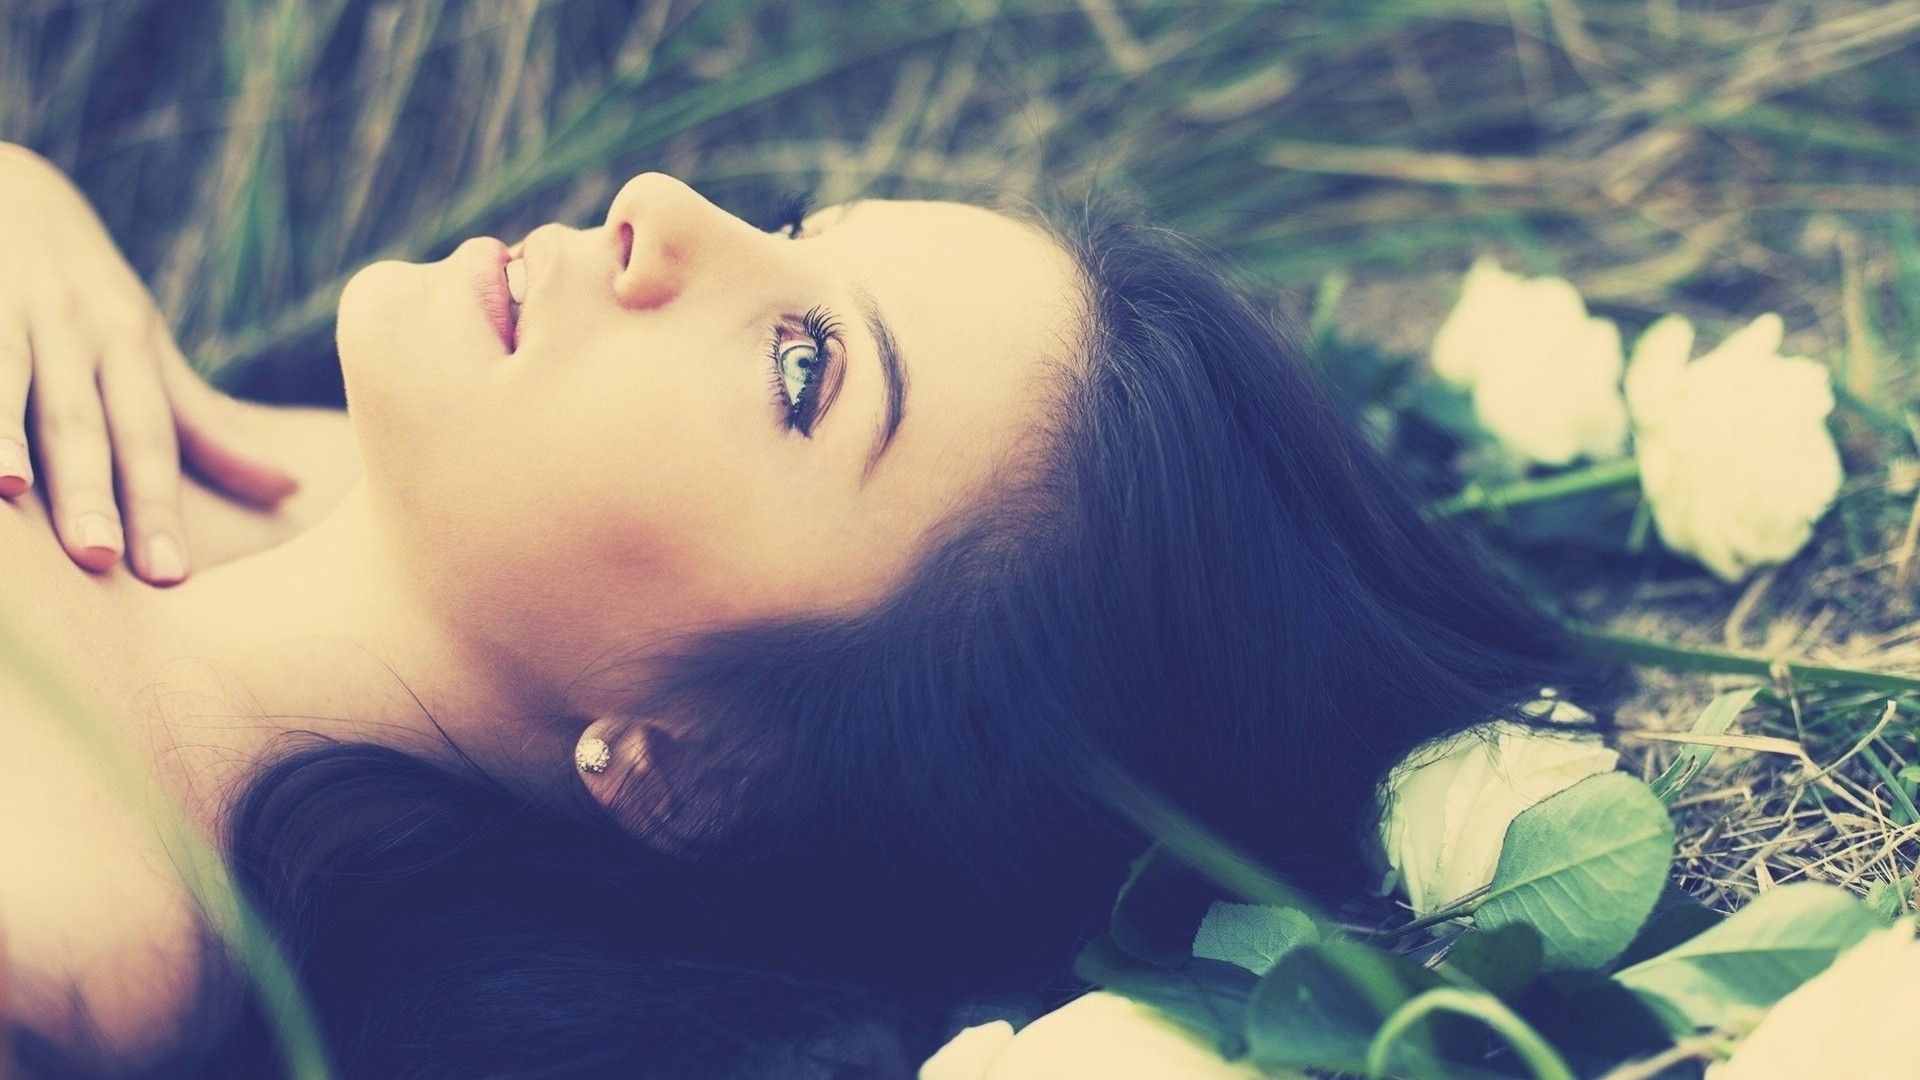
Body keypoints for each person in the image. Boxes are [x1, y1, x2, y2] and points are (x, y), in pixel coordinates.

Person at [0, 142, 1636, 1079]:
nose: (661, 212)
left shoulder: (68, 928)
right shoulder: (229, 475)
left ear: (695, 776)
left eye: (803, 372)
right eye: (791, 235)